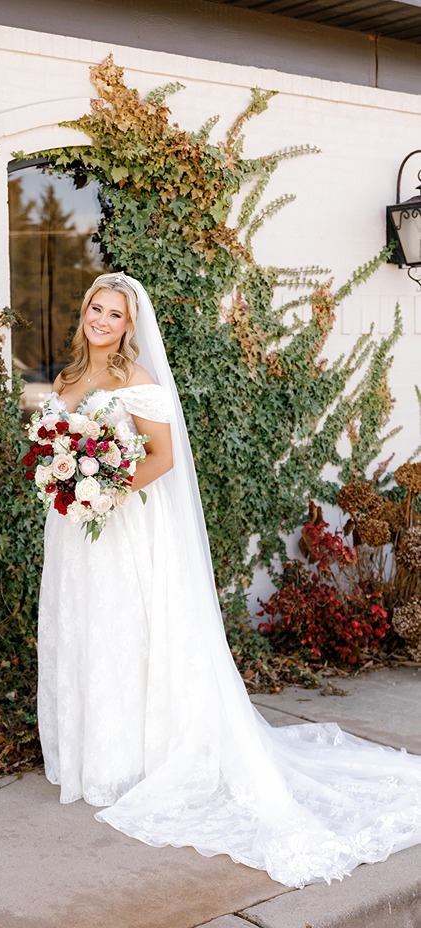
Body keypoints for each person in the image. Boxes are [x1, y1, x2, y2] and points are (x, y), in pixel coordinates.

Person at [37, 271, 421, 888]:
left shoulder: (137, 381)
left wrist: (104, 492)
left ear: (129, 325)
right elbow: (57, 443)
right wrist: (64, 481)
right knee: (86, 629)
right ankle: (90, 756)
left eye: (114, 314)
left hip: (121, 524)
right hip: (75, 532)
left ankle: (132, 759)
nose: (101, 321)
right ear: (83, 312)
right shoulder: (65, 380)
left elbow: (160, 458)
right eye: (95, 310)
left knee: (125, 631)